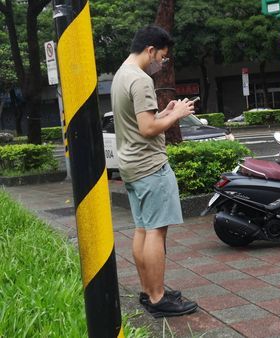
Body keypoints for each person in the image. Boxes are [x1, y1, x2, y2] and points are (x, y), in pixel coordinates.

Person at [111, 25, 198, 318]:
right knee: (156, 233)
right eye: (162, 56)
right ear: (150, 51)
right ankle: (159, 298)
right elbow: (148, 130)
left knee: (142, 229)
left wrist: (164, 112)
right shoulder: (141, 79)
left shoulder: (121, 75)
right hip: (151, 167)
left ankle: (149, 291)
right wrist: (177, 114)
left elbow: (141, 123)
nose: (162, 62)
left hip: (132, 166)